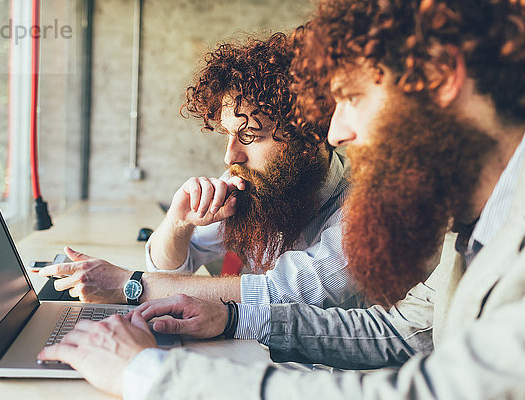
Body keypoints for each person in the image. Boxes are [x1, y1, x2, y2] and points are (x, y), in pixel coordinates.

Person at [40, 0, 525, 398]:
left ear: (440, 74)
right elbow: (401, 334)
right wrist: (233, 315)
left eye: (351, 97)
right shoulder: (478, 224)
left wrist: (146, 373)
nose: (335, 132)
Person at [38, 33, 363, 318]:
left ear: (310, 134)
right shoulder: (259, 183)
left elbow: (280, 295)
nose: (230, 155)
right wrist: (179, 224)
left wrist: (127, 284)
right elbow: (168, 268)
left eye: (250, 135)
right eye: (228, 134)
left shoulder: (365, 208)